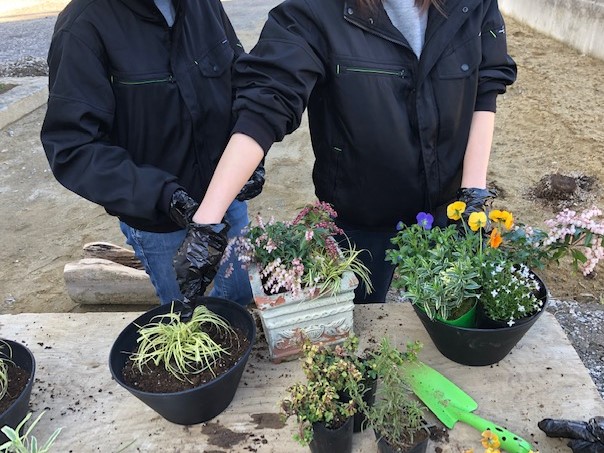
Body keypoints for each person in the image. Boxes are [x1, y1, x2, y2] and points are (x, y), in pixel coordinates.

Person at [173, 0, 517, 304]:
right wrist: (207, 221)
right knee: (364, 310)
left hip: (448, 206)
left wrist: (472, 191)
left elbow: (484, 88)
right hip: (363, 213)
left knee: (447, 305)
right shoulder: (315, 11)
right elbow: (266, 103)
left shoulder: (473, 4)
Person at [40, 0, 263, 306]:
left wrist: (251, 154)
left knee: (240, 293)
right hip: (160, 224)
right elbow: (73, 147)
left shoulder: (204, 5)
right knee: (186, 322)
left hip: (228, 198)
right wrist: (162, 196)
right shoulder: (82, 25)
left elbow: (242, 79)